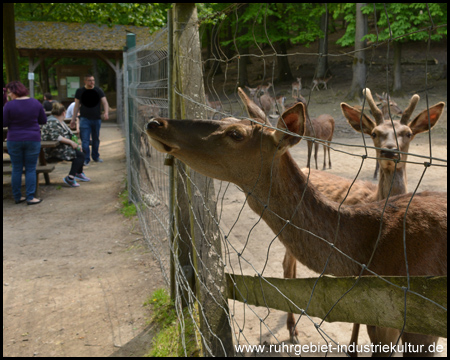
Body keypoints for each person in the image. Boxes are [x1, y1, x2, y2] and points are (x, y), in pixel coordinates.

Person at [3, 81, 47, 205]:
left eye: (10, 92)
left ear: (15, 91)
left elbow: (4, 123)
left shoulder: (9, 105)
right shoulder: (35, 103)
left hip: (14, 139)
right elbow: (43, 120)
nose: (10, 95)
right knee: (31, 169)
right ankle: (30, 197)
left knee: (16, 169)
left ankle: (17, 196)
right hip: (32, 138)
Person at [41, 102, 90, 187]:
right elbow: (57, 137)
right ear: (63, 113)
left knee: (82, 150)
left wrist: (76, 145)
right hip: (53, 150)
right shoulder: (52, 122)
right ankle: (70, 178)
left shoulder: (59, 121)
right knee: (79, 155)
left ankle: (78, 172)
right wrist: (71, 142)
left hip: (60, 147)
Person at [70, 74, 109, 166]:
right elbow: (76, 106)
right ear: (85, 81)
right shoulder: (80, 91)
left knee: (96, 139)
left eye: (93, 80)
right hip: (84, 119)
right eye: (89, 80)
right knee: (85, 140)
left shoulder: (98, 90)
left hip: (96, 119)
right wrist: (73, 119)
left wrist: (106, 112)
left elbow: (105, 102)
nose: (92, 82)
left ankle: (95, 156)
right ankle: (86, 158)